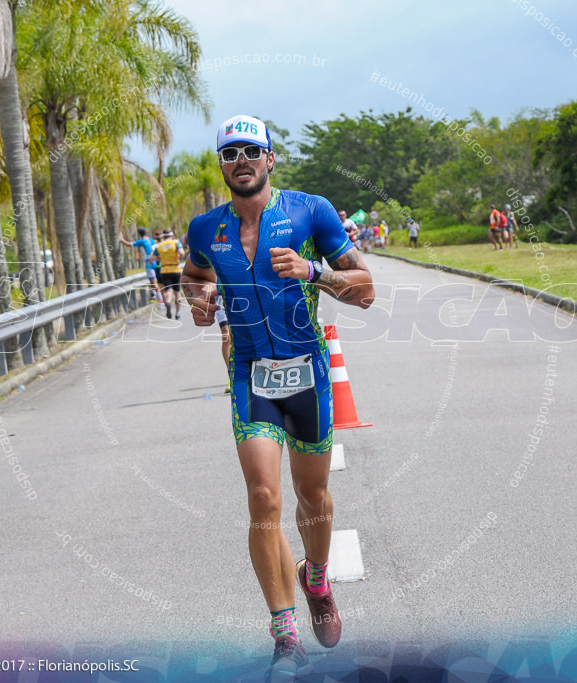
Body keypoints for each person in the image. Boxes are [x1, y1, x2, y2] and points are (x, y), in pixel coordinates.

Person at [182, 114, 374, 676]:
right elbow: (192, 276)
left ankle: (315, 578)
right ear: (222, 166)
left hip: (307, 372)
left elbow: (364, 291)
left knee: (311, 498)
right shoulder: (205, 229)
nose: (241, 160)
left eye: (251, 150)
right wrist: (200, 299)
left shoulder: (310, 210)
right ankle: (284, 630)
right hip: (249, 374)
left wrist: (314, 270)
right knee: (264, 497)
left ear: (270, 160)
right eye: (229, 153)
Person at [119, 227, 159, 301]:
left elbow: (129, 244)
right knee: (154, 280)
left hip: (149, 262)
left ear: (139, 234)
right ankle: (154, 296)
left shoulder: (142, 241)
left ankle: (161, 298)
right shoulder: (152, 240)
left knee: (153, 281)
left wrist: (121, 239)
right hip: (156, 261)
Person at [153, 230, 186, 319]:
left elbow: (152, 258)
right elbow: (182, 253)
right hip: (175, 269)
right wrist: (180, 258)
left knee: (169, 291)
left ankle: (167, 302)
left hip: (164, 270)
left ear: (163, 236)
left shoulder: (160, 245)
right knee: (177, 292)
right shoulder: (175, 242)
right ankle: (178, 313)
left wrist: (161, 258)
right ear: (172, 235)